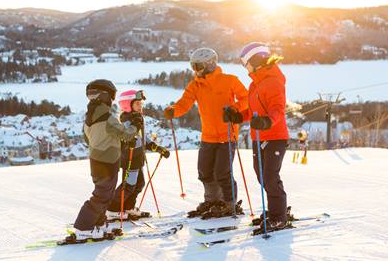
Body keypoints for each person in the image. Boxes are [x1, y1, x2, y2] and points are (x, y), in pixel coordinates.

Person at [164, 47, 248, 217]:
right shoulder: (196, 85)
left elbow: (247, 98)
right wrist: (173, 110)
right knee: (205, 171)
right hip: (208, 136)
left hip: (227, 134)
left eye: (198, 66)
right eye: (193, 67)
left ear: (210, 64)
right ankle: (212, 200)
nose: (195, 70)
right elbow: (184, 103)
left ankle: (229, 204)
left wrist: (234, 109)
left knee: (223, 172)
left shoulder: (230, 80)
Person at [223, 42, 289, 231]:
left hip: (275, 137)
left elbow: (278, 110)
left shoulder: (274, 81)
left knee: (270, 176)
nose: (246, 67)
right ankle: (275, 210)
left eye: (246, 63)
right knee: (262, 176)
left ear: (256, 60)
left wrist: (268, 121)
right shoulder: (255, 84)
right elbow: (252, 112)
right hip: (258, 137)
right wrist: (237, 117)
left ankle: (279, 216)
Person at [71, 79, 140, 241]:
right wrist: (136, 124)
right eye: (112, 96)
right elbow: (126, 133)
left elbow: (90, 139)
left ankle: (99, 223)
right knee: (102, 196)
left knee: (105, 194)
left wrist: (115, 143)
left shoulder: (90, 116)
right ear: (104, 96)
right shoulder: (107, 116)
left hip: (97, 159)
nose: (112, 100)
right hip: (107, 161)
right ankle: (83, 228)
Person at [106, 90, 170, 221]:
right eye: (137, 103)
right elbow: (123, 138)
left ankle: (128, 207)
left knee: (139, 184)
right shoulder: (126, 121)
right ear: (127, 105)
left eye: (141, 103)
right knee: (128, 185)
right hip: (129, 158)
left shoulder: (138, 119)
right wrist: (127, 142)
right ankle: (112, 210)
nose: (140, 106)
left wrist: (157, 148)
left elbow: (143, 139)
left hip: (138, 158)